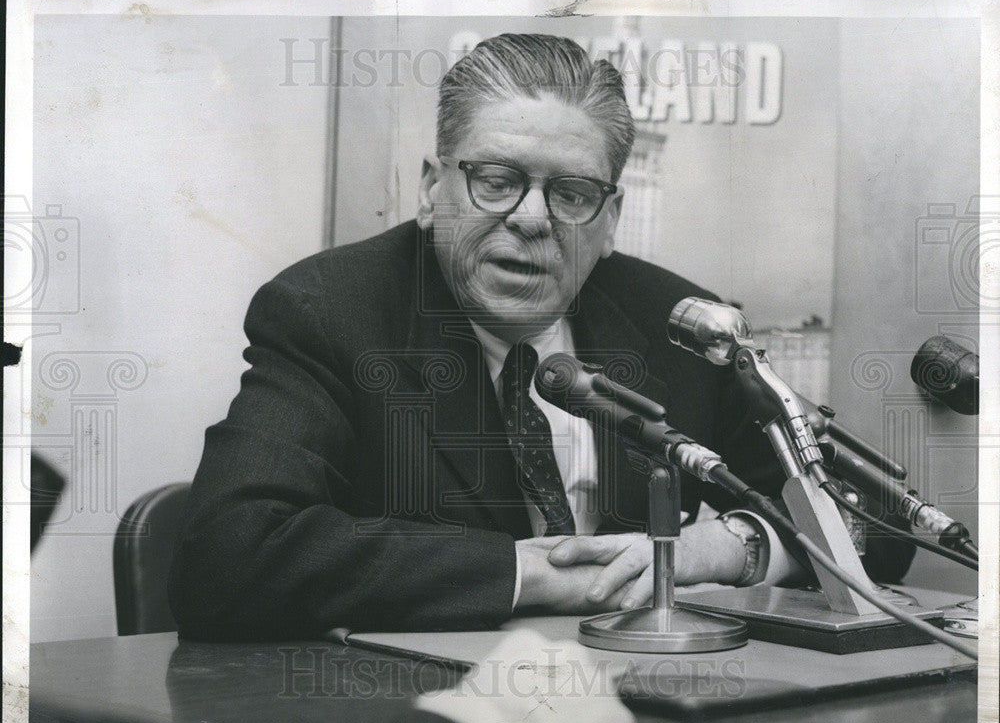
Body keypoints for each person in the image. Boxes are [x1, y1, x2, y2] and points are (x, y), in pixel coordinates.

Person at [168, 33, 914, 640]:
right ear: (434, 188)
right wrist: (526, 574)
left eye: (571, 193)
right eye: (496, 179)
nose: (531, 218)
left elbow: (877, 526)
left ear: (611, 217)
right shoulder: (330, 311)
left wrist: (728, 548)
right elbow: (229, 557)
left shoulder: (680, 322)